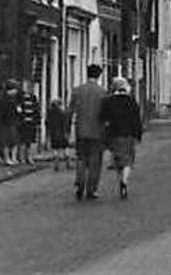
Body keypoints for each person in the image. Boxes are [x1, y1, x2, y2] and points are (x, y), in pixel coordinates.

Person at [68, 64, 107, 200]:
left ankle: (80, 183)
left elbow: (70, 111)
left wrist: (69, 129)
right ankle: (91, 189)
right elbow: (105, 114)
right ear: (99, 75)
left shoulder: (77, 91)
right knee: (95, 162)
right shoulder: (102, 92)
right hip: (97, 131)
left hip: (81, 130)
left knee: (81, 158)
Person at [101, 77, 143, 200]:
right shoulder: (131, 101)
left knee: (118, 160)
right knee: (128, 160)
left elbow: (103, 118)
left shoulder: (108, 101)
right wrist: (138, 134)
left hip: (114, 134)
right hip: (128, 134)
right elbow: (137, 120)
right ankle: (124, 182)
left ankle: (121, 179)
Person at [17, 79, 41, 166]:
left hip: (31, 123)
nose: (28, 88)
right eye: (26, 87)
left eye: (29, 87)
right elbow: (18, 110)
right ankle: (22, 158)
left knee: (30, 141)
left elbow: (37, 110)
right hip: (23, 123)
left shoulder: (33, 98)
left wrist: (37, 122)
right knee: (23, 141)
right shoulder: (20, 98)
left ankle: (29, 157)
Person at [0, 79, 21, 165]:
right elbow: (3, 112)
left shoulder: (14, 99)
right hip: (6, 123)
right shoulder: (4, 99)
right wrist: (15, 110)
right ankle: (7, 159)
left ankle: (13, 158)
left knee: (14, 141)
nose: (16, 91)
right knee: (6, 142)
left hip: (13, 122)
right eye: (14, 89)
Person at [47, 98, 72, 171]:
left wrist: (49, 133)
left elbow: (48, 124)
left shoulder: (50, 114)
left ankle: (56, 162)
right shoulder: (63, 113)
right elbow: (65, 124)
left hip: (54, 133)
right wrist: (67, 132)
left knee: (55, 148)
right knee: (65, 147)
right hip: (62, 133)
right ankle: (67, 161)